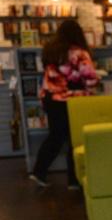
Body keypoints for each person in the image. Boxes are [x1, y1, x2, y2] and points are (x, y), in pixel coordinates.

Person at [30, 19, 99, 188]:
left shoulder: (50, 51)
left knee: (56, 136)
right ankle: (74, 180)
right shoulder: (79, 53)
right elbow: (90, 78)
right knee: (74, 139)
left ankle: (39, 172)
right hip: (72, 100)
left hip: (50, 99)